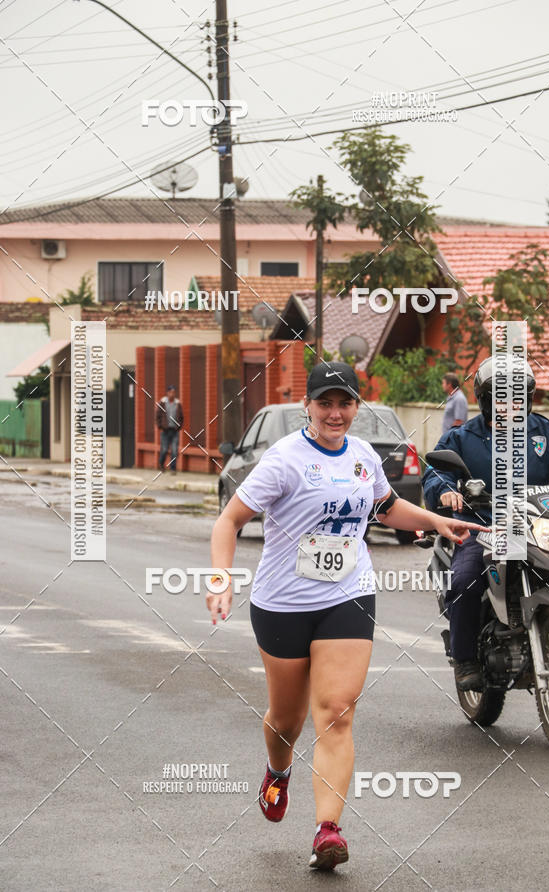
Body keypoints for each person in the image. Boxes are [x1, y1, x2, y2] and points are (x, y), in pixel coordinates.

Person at [208, 361, 485, 871]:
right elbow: (230, 520)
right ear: (307, 407)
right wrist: (222, 580)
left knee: (336, 710)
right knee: (286, 720)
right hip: (283, 603)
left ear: (357, 406)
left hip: (348, 595)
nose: (336, 413)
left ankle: (327, 830)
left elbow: (385, 508)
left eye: (345, 403)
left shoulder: (361, 455)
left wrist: (435, 521)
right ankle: (277, 768)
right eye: (325, 403)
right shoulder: (284, 459)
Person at [423, 355, 549, 691]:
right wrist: (446, 492)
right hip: (484, 528)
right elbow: (436, 474)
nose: (511, 404)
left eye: (519, 396)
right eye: (502, 397)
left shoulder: (541, 432)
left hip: (536, 527)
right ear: (486, 400)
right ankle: (465, 659)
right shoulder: (462, 438)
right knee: (463, 580)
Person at [155, 385, 184, 473]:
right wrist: (160, 426)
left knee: (174, 450)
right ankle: (161, 464)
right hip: (165, 430)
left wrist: (179, 426)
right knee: (164, 449)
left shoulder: (177, 403)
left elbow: (181, 417)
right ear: (167, 393)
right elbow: (158, 415)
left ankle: (173, 468)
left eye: (174, 392)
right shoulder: (163, 402)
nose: (172, 394)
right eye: (171, 392)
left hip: (174, 430)